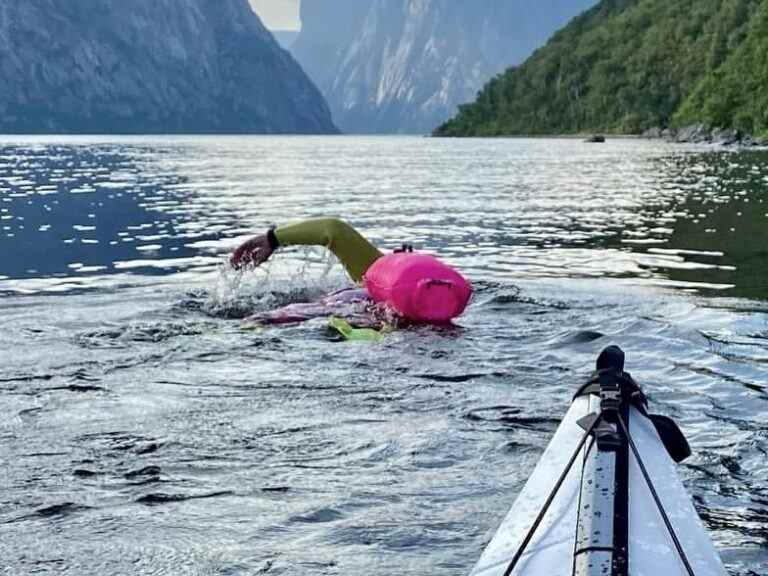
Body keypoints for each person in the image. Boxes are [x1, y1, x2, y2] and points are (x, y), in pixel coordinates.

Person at [230, 218, 472, 327]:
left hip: (352, 314)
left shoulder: (373, 271)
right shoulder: (453, 296)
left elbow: (333, 229)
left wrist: (272, 238)